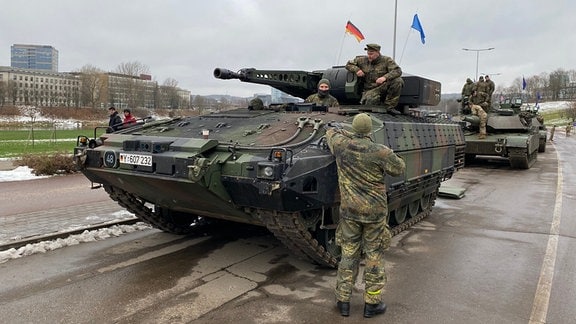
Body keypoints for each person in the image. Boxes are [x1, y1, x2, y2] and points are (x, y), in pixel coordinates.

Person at [325, 113, 406, 318]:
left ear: (353, 129)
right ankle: (372, 303)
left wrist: (342, 131)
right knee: (374, 255)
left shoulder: (341, 146)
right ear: (370, 131)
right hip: (374, 214)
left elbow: (330, 132)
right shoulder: (381, 151)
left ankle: (343, 300)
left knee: (348, 254)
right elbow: (399, 169)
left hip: (350, 212)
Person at [345, 43, 404, 115]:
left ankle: (389, 107)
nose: (369, 56)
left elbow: (397, 71)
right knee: (370, 103)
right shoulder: (362, 60)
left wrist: (384, 77)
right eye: (368, 54)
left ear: (378, 53)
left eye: (371, 54)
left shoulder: (387, 60)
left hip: (383, 86)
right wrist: (357, 70)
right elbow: (348, 64)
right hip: (369, 89)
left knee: (398, 81)